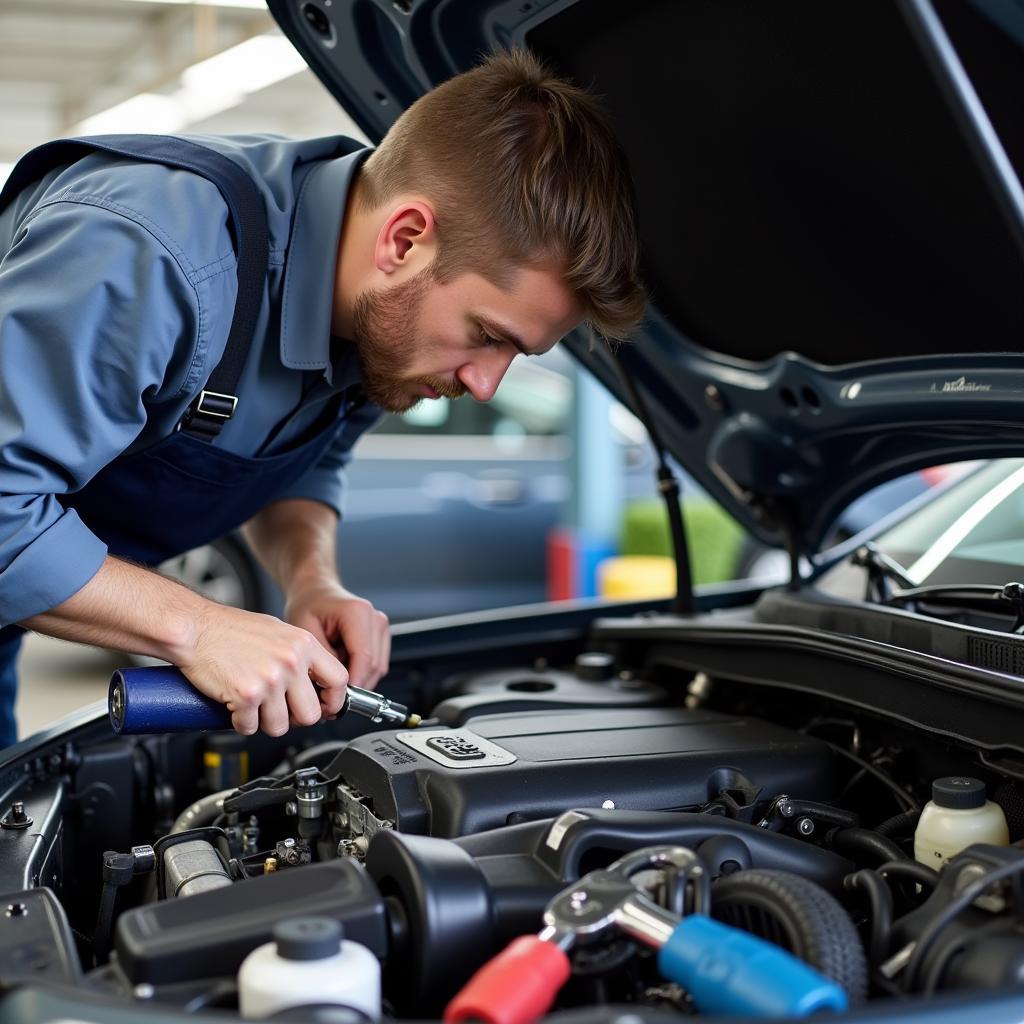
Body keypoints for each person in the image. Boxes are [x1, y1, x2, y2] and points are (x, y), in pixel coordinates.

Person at [0, 48, 645, 745]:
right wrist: (198, 627)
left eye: (518, 355)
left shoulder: (381, 323)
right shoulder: (150, 256)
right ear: (404, 241)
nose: (485, 385)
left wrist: (312, 581)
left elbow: (300, 460)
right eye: (487, 334)